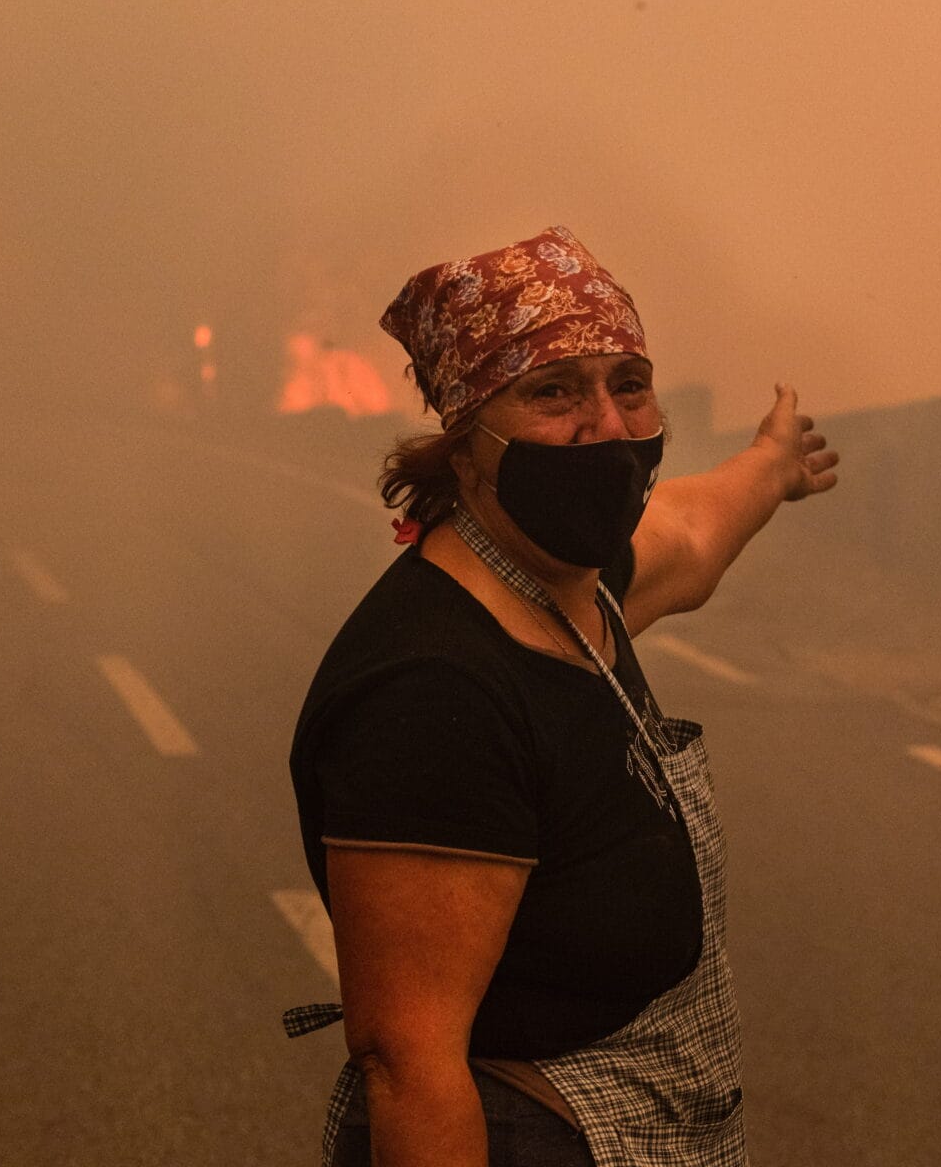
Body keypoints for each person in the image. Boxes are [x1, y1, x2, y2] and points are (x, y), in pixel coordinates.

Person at [285, 226, 838, 1167]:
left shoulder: (570, 591)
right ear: (465, 446)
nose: (610, 428)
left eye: (629, 383)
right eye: (554, 392)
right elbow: (406, 1062)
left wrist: (774, 466)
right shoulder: (431, 689)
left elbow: (692, 538)